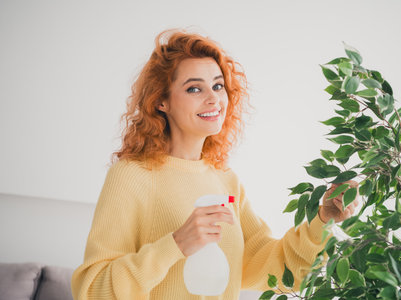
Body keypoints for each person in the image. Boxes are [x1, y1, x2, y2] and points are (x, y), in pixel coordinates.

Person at [71, 28, 359, 300]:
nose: (213, 99)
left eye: (218, 86)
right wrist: (176, 244)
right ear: (161, 101)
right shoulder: (131, 176)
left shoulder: (225, 180)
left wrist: (322, 219)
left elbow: (276, 268)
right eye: (194, 89)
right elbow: (93, 289)